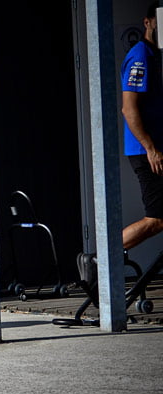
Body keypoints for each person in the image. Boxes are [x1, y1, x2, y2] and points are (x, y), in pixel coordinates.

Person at [121, 2, 163, 251]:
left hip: (155, 148)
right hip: (147, 151)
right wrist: (151, 148)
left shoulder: (156, 55)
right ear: (147, 23)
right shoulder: (141, 56)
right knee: (156, 219)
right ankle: (98, 259)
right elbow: (129, 108)